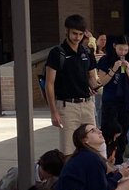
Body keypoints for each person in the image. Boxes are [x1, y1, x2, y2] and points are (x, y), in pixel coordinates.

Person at [44, 14, 105, 154]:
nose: (77, 37)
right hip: (67, 106)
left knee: (95, 146)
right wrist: (53, 112)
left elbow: (91, 78)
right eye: (74, 33)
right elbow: (49, 83)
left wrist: (97, 86)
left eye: (80, 34)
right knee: (69, 150)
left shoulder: (86, 52)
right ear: (67, 31)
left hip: (87, 104)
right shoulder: (57, 53)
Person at [98, 34, 129, 166]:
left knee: (123, 132)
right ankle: (108, 159)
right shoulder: (105, 60)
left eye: (125, 50)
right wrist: (114, 69)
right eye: (120, 49)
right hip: (110, 100)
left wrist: (128, 70)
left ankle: (119, 159)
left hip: (125, 101)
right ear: (114, 47)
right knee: (109, 131)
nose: (122, 53)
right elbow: (103, 81)